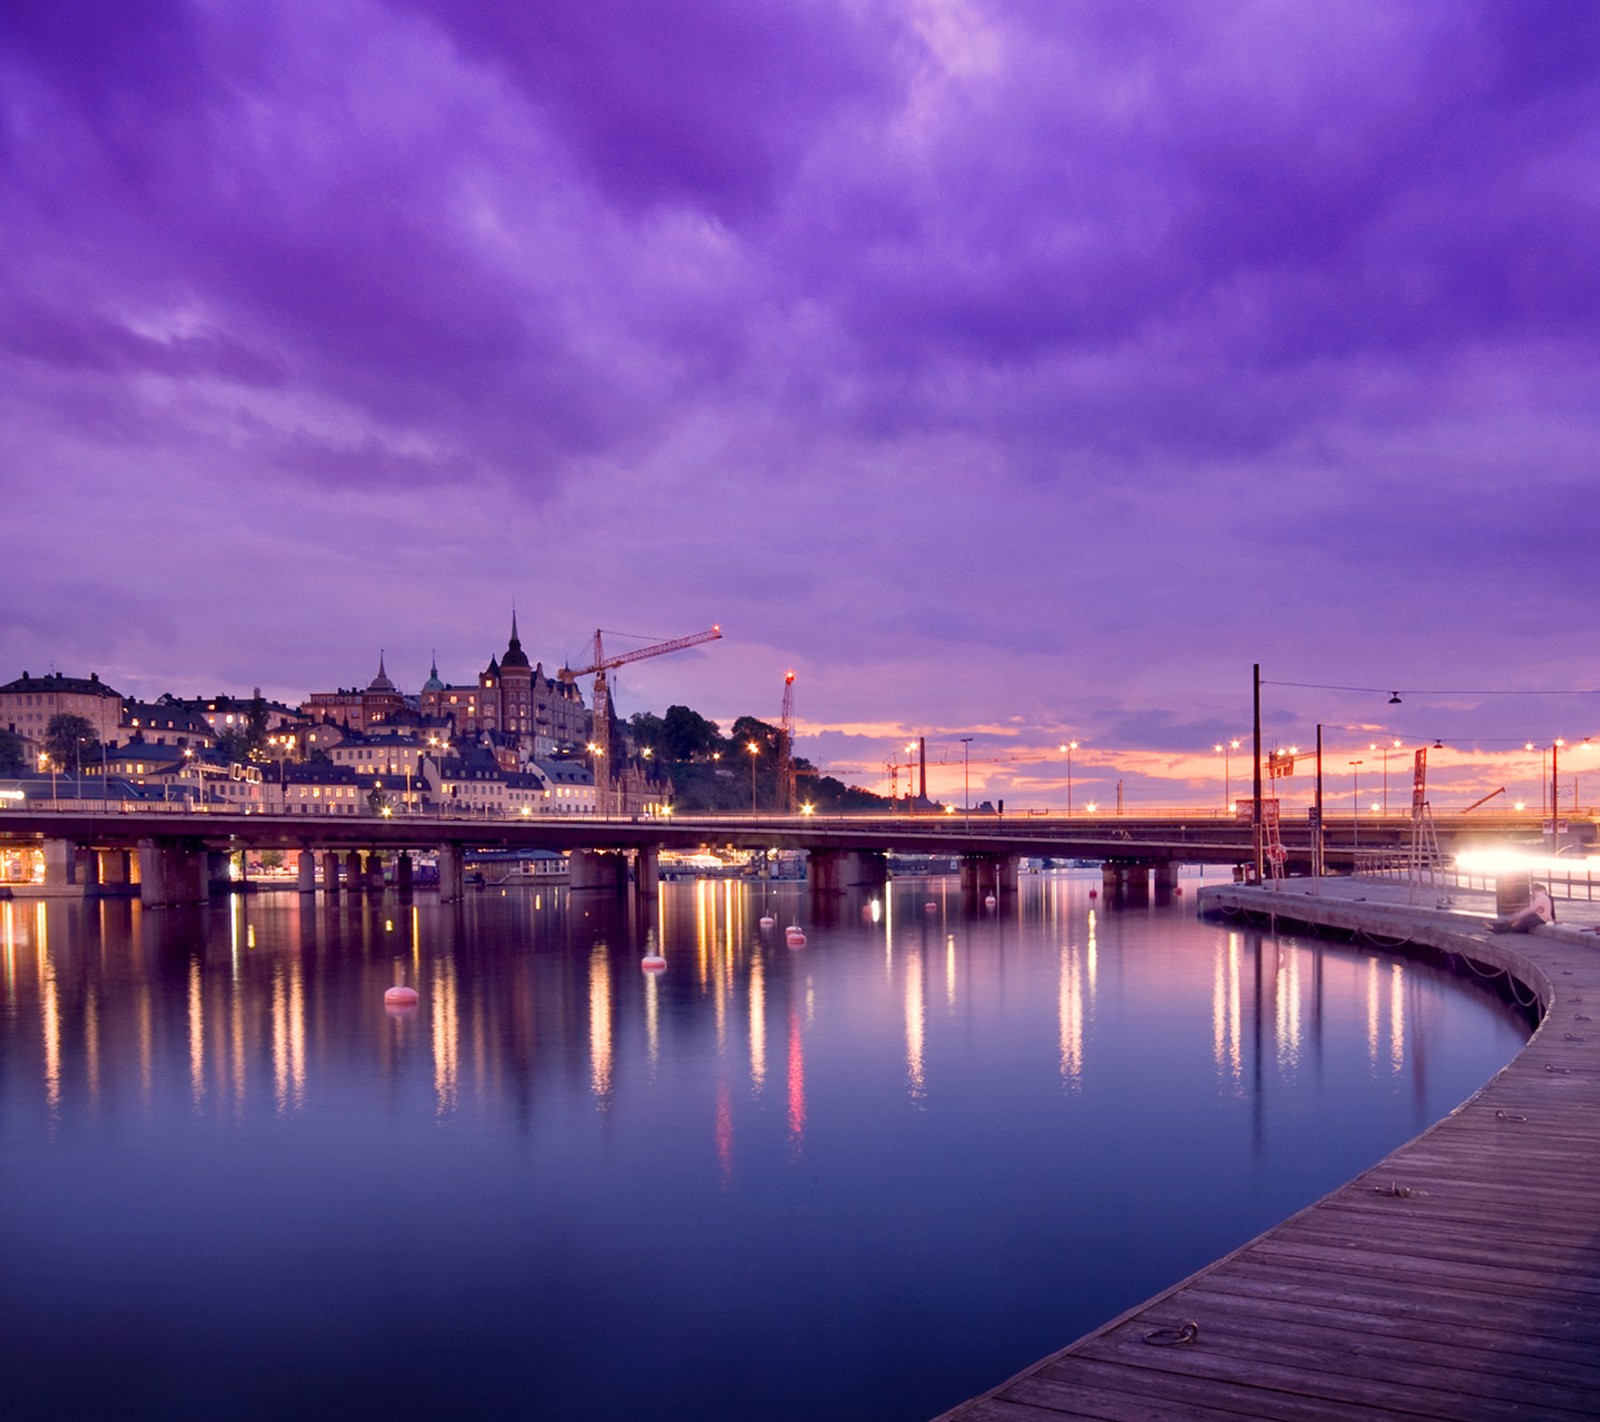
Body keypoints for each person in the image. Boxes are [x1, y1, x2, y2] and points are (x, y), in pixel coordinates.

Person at [1488, 882, 1554, 934]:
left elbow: (1531, 909)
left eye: (1533, 891)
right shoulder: (1543, 897)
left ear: (1536, 890)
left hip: (1538, 918)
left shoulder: (1541, 898)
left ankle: (1496, 928)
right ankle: (1496, 927)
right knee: (1516, 922)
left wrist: (1519, 915)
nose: (1532, 893)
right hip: (1539, 918)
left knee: (1517, 922)